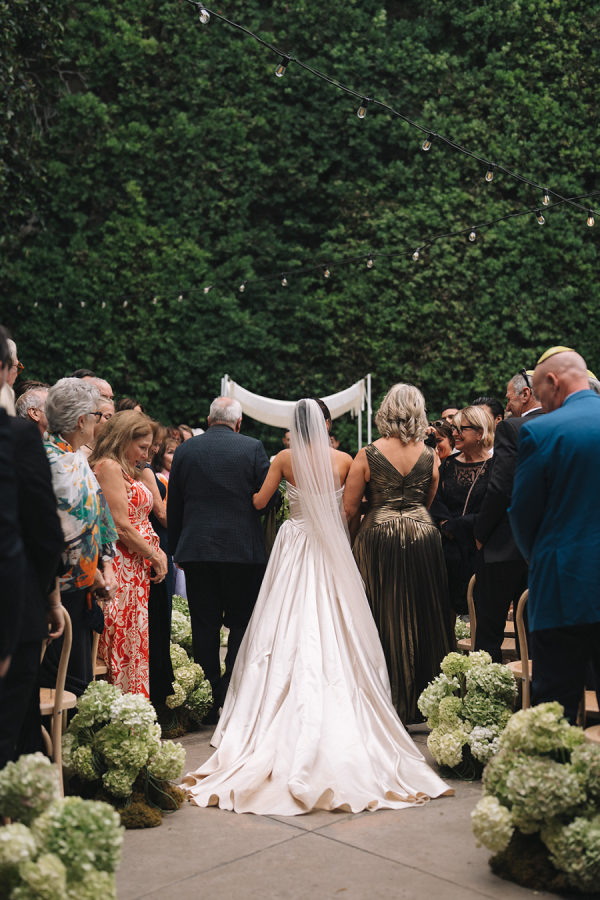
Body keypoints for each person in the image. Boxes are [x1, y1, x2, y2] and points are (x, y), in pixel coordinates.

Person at [182, 398, 452, 815]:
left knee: (282, 617)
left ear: (294, 426)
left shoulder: (284, 458)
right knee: (338, 616)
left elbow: (259, 502)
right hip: (331, 546)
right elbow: (351, 509)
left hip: (294, 542)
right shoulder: (345, 459)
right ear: (325, 424)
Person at [344, 384, 454, 724]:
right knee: (426, 613)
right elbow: (428, 500)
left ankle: (383, 698)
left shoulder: (368, 454)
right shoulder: (430, 455)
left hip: (378, 535)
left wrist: (352, 539)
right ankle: (427, 700)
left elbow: (349, 508)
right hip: (423, 535)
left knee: (379, 612)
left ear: (386, 412)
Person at [167, 397, 278, 716]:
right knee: (242, 621)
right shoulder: (253, 447)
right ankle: (232, 688)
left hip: (197, 550)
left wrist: (176, 547)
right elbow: (268, 499)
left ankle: (208, 693)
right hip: (243, 551)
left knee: (204, 624)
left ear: (208, 419)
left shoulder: (186, 449)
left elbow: (175, 503)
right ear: (239, 423)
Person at [509, 347, 600, 724]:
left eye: (541, 394)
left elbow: (522, 514)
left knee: (554, 715)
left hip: (562, 587)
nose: (541, 403)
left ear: (553, 380)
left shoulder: (541, 431)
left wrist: (541, 558)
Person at [41, 378, 118, 697]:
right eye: (97, 415)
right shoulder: (50, 462)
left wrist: (104, 566)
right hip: (56, 590)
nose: (99, 422)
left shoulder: (74, 458)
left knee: (77, 682)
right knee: (59, 681)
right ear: (81, 420)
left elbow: (99, 514)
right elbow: (54, 532)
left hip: (83, 586)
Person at [90, 411, 167, 697]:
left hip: (134, 568)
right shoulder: (109, 467)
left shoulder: (124, 469)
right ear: (123, 439)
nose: (146, 455)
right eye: (142, 447)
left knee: (134, 640)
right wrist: (154, 554)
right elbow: (120, 525)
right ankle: (120, 708)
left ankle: (132, 707)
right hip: (122, 566)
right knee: (121, 641)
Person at [473, 371, 542, 661]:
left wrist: (480, 533)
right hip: (543, 547)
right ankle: (532, 687)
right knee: (535, 634)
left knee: (488, 633)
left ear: (526, 394)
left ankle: (486, 687)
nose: (508, 404)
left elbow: (501, 487)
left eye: (510, 398)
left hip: (504, 546)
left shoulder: (512, 427)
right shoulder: (561, 425)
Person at [431, 406, 493, 614]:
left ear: (480, 433)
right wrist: (445, 524)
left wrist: (457, 526)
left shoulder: (495, 466)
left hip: (480, 550)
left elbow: (493, 507)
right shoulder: (448, 464)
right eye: (454, 429)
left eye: (461, 429)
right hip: (447, 551)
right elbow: (435, 498)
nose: (455, 434)